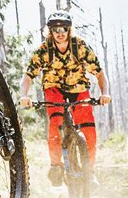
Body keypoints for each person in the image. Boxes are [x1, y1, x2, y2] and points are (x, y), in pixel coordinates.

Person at [19, 11, 111, 187]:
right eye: (55, 29)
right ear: (50, 31)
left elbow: (99, 73)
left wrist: (104, 93)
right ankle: (56, 166)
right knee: (55, 124)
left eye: (63, 29)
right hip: (54, 88)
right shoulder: (45, 50)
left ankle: (90, 172)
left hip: (79, 88)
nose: (60, 33)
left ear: (69, 30)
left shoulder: (80, 46)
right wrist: (24, 95)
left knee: (88, 129)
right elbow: (28, 76)